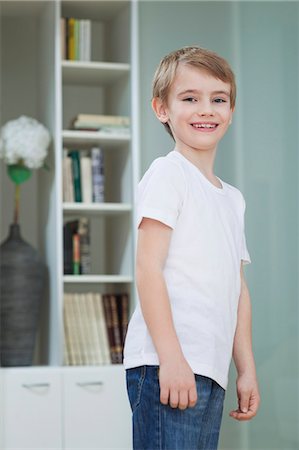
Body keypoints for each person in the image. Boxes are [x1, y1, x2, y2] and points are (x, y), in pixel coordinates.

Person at [123, 46, 260, 450]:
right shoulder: (169, 173)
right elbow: (148, 269)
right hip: (169, 362)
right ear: (161, 109)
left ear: (231, 110)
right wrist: (172, 359)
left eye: (218, 99)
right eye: (189, 98)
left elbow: (237, 289)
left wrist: (245, 368)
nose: (206, 109)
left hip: (210, 369)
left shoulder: (231, 198)